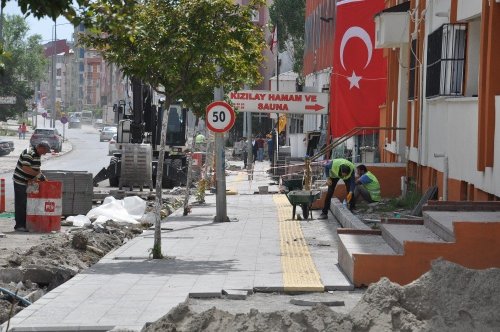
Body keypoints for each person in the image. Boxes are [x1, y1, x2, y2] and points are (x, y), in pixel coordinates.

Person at [13, 141, 51, 232]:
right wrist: (37, 175)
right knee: (21, 203)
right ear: (40, 147)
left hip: (28, 182)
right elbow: (25, 168)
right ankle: (19, 225)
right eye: (45, 151)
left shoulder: (37, 154)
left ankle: (26, 224)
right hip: (20, 181)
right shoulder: (29, 152)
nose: (45, 153)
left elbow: (36, 168)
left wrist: (41, 176)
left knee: (28, 203)